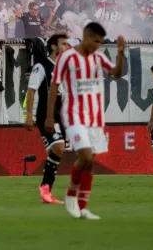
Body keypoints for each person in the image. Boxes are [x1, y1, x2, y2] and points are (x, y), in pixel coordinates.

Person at [45, 22, 125, 220]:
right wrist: (48, 117)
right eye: (95, 41)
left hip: (95, 117)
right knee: (86, 157)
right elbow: (54, 86)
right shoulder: (67, 57)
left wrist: (121, 54)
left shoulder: (98, 57)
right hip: (73, 115)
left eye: (100, 43)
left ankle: (83, 207)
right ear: (86, 37)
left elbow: (116, 74)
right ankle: (71, 193)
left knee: (91, 163)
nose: (97, 46)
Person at [24, 34, 69, 204]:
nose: (66, 47)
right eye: (63, 44)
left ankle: (46, 192)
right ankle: (45, 189)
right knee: (58, 147)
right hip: (45, 113)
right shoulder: (41, 66)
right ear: (53, 47)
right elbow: (31, 90)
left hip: (58, 113)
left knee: (55, 151)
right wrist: (29, 115)